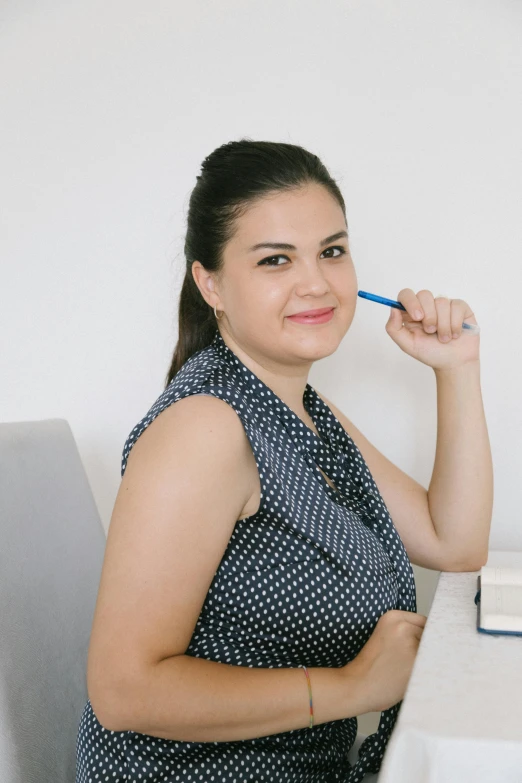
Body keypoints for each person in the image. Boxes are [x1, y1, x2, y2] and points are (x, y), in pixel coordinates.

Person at [76, 139, 490, 782]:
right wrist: (354, 687)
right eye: (276, 260)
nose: (317, 283)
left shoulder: (300, 407)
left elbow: (453, 541)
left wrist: (458, 370)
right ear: (209, 283)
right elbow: (124, 689)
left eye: (332, 251)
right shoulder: (207, 427)